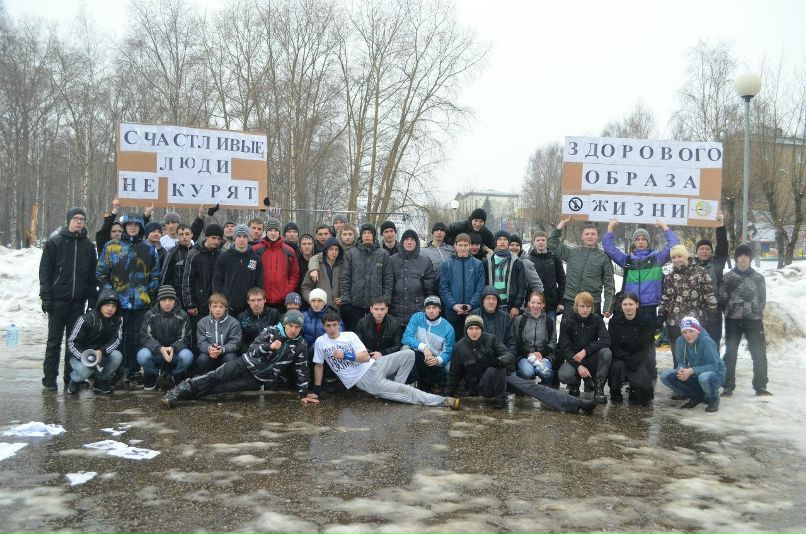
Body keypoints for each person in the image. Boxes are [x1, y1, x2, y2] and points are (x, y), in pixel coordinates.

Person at [162, 310, 319, 408]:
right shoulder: (271, 331)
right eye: (290, 326)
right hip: (244, 363)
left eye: (297, 327)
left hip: (257, 379)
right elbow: (252, 351)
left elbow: (302, 369)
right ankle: (177, 392)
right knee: (215, 376)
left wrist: (303, 394)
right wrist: (269, 347)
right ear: (284, 325)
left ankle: (185, 396)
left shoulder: (300, 344)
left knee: (219, 389)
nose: (293, 330)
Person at [311, 310, 461, 409]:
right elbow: (319, 366)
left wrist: (345, 355)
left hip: (375, 365)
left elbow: (365, 357)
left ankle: (395, 389)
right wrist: (316, 392)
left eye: (334, 325)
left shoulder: (349, 335)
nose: (332, 329)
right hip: (365, 380)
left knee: (409, 354)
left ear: (339, 325)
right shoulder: (321, 342)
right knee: (409, 391)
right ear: (323, 326)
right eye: (328, 326)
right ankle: (444, 401)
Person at [446, 315, 596, 414]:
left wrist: (498, 361)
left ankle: (577, 404)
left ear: (482, 329)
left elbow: (508, 355)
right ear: (466, 330)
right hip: (483, 386)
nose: (474, 332)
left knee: (533, 387)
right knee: (494, 367)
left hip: (501, 378)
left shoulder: (490, 339)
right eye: (470, 328)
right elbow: (454, 373)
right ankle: (499, 398)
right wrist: (447, 395)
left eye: (477, 328)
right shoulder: (460, 347)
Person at [603, 218, 678, 377]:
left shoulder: (657, 258)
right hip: (631, 308)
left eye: (644, 239)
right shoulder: (627, 260)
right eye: (638, 239)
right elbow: (609, 249)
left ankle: (650, 373)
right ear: (634, 242)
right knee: (630, 341)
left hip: (649, 307)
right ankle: (632, 372)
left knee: (648, 341)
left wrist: (664, 226)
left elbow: (673, 245)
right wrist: (610, 228)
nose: (641, 242)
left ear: (648, 242)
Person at [97, 213, 160, 386]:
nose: (133, 227)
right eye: (129, 224)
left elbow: (155, 274)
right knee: (117, 337)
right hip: (117, 302)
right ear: (124, 227)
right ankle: (116, 370)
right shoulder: (112, 246)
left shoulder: (149, 248)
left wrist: (149, 293)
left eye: (136, 225)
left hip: (140, 303)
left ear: (141, 228)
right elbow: (102, 272)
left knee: (136, 337)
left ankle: (133, 370)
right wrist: (110, 295)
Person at [39, 207, 98, 391]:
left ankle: (71, 378)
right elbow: (45, 272)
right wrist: (46, 297)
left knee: (74, 343)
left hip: (78, 302)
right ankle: (49, 379)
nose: (79, 221)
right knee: (54, 341)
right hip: (58, 301)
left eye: (82, 219)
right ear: (69, 220)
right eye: (75, 218)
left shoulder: (88, 246)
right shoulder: (55, 242)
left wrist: (92, 300)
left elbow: (92, 276)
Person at [719, 243, 771, 397]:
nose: (743, 258)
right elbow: (722, 298)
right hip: (733, 321)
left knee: (759, 353)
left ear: (750, 258)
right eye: (740, 256)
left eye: (746, 256)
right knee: (730, 353)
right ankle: (728, 386)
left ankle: (760, 386)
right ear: (736, 258)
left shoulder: (758, 278)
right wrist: (730, 310)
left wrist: (754, 311)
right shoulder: (728, 277)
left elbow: (762, 299)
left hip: (754, 321)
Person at [658, 244, 717, 366]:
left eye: (679, 256)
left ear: (686, 256)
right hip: (675, 321)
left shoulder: (701, 273)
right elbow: (666, 297)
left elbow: (709, 294)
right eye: (673, 257)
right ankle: (679, 374)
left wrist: (711, 311)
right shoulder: (669, 277)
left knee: (697, 355)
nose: (676, 260)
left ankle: (697, 374)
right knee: (678, 355)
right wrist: (662, 313)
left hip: (696, 320)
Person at [549, 217, 615, 317]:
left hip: (592, 303)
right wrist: (562, 223)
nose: (590, 236)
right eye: (587, 234)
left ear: (597, 236)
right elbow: (552, 243)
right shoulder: (571, 253)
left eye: (593, 234)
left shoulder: (604, 258)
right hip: (571, 301)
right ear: (582, 236)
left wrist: (608, 307)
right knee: (567, 327)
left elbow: (609, 284)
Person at [660, 316, 725, 412]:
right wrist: (681, 371)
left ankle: (713, 399)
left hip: (715, 374)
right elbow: (682, 362)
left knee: (704, 377)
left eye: (691, 331)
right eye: (684, 332)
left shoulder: (706, 341)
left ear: (697, 330)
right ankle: (696, 396)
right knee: (665, 375)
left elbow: (714, 366)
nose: (688, 335)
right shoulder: (680, 341)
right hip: (696, 373)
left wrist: (691, 370)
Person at [65, 289, 123, 395]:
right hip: (80, 355)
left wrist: (101, 351)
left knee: (117, 356)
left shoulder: (118, 319)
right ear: (100, 305)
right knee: (85, 371)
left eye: (113, 306)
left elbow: (117, 339)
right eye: (106, 305)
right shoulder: (86, 319)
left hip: (101, 353)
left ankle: (100, 382)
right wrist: (85, 357)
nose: (110, 309)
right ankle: (75, 379)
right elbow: (72, 342)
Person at [557, 292, 612, 403]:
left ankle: (599, 388)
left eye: (588, 306)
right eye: (582, 306)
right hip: (574, 358)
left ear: (592, 307)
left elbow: (606, 340)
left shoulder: (597, 319)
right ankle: (574, 383)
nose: (585, 310)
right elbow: (564, 347)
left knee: (606, 352)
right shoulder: (567, 321)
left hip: (591, 357)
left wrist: (586, 350)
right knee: (564, 375)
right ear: (576, 306)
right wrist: (578, 366)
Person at [136, 285, 194, 390]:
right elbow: (145, 338)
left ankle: (176, 376)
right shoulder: (150, 314)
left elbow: (185, 339)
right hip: (156, 352)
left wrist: (173, 348)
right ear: (159, 300)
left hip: (174, 352)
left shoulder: (183, 315)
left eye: (171, 300)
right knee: (142, 355)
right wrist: (160, 348)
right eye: (164, 300)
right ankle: (154, 375)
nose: (167, 303)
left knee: (187, 356)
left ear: (175, 300)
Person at [339, 223, 393, 330]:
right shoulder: (352, 254)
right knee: (355, 333)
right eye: (364, 233)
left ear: (374, 235)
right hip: (355, 304)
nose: (367, 235)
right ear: (361, 236)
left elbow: (388, 280)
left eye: (369, 233)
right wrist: (346, 301)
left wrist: (386, 301)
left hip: (376, 305)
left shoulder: (383, 254)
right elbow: (345, 278)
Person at [607, 293, 655, 404]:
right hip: (621, 357)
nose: (628, 307)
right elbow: (613, 344)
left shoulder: (646, 322)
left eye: (631, 304)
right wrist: (625, 357)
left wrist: (637, 358)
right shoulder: (614, 322)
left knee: (644, 398)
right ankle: (615, 390)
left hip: (638, 357)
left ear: (637, 305)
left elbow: (647, 345)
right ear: (621, 305)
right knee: (617, 366)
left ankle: (635, 388)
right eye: (625, 304)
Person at [402, 296, 455, 391]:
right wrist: (424, 348)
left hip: (436, 360)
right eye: (428, 308)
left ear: (440, 309)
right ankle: (411, 381)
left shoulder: (448, 328)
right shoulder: (417, 317)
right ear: (425, 309)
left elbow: (448, 352)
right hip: (418, 354)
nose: (431, 311)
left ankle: (440, 386)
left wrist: (438, 360)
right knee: (405, 349)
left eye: (434, 307)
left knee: (449, 368)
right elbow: (406, 337)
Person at [182, 224, 223, 346]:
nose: (216, 241)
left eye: (219, 239)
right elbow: (187, 280)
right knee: (198, 335)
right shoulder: (194, 254)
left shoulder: (221, 254)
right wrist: (190, 304)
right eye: (213, 238)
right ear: (206, 237)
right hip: (199, 304)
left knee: (216, 335)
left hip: (218, 303)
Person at [439, 233, 485, 339]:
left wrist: (471, 305)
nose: (463, 248)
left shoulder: (478, 264)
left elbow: (480, 288)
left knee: (472, 340)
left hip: (473, 311)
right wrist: (453, 305)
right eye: (460, 245)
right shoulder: (447, 264)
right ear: (455, 246)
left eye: (465, 245)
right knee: (452, 340)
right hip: (452, 312)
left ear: (469, 246)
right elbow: (443, 288)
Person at [213, 224, 263, 317]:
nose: (242, 239)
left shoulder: (255, 258)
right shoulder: (224, 257)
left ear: (248, 238)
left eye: (245, 236)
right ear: (234, 238)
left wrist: (255, 301)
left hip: (249, 307)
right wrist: (220, 301)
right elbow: (217, 281)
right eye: (239, 236)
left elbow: (259, 282)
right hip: (228, 306)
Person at [389, 229, 437, 326]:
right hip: (395, 313)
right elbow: (387, 286)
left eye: (412, 239)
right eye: (406, 239)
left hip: (418, 313)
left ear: (417, 242)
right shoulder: (392, 260)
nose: (409, 242)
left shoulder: (425, 262)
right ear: (402, 242)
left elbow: (429, 290)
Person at [694, 212, 728, 344]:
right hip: (695, 311)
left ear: (712, 252)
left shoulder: (717, 264)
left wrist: (720, 226)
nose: (704, 251)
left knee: (713, 343)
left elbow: (723, 246)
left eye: (707, 249)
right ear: (696, 252)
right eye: (701, 248)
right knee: (696, 345)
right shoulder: (690, 266)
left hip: (713, 312)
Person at [253, 217, 300, 312]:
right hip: (262, 299)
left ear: (279, 232)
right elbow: (251, 273)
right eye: (270, 230)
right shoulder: (256, 250)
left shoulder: (289, 251)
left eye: (276, 230)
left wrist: (288, 290)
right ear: (266, 232)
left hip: (282, 300)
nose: (273, 233)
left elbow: (294, 274)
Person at [513, 291, 556, 386]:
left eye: (539, 303)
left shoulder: (549, 321)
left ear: (543, 305)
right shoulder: (520, 320)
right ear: (528, 303)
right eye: (533, 302)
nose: (535, 306)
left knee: (544, 372)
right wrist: (528, 354)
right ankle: (523, 387)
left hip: (544, 356)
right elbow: (515, 342)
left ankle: (545, 388)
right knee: (527, 372)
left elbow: (553, 342)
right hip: (525, 356)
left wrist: (541, 353)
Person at [522, 231, 566, 322]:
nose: (540, 242)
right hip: (533, 304)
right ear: (534, 242)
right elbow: (525, 283)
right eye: (538, 240)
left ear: (547, 241)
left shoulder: (554, 258)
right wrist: (526, 302)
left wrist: (561, 301)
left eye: (543, 240)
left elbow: (562, 280)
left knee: (550, 328)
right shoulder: (529, 259)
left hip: (551, 304)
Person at [483, 230, 527, 318]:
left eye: (505, 239)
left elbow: (522, 285)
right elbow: (482, 284)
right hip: (491, 304)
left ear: (508, 242)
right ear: (496, 242)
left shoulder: (516, 262)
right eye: (499, 239)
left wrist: (517, 306)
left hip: (509, 306)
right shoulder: (487, 261)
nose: (502, 242)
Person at [196, 293, 242, 374]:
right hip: (210, 353)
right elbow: (201, 343)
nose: (218, 309)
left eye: (221, 306)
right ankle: (205, 378)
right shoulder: (202, 322)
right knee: (202, 359)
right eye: (215, 306)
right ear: (210, 307)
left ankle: (227, 380)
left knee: (231, 358)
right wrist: (210, 349)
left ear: (226, 308)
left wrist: (222, 349)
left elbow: (235, 343)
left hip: (226, 353)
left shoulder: (234, 323)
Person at [355, 296, 406, 360]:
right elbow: (359, 344)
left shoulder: (395, 323)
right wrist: (372, 354)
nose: (379, 313)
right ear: (371, 309)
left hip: (388, 357)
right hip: (368, 357)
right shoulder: (362, 322)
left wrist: (382, 353)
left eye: (382, 309)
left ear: (386, 310)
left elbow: (397, 345)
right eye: (376, 309)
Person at [471, 286, 516, 356]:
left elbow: (512, 343)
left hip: (501, 358)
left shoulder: (506, 318)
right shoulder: (474, 316)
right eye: (488, 298)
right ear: (482, 300)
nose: (491, 302)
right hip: (478, 358)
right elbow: (467, 341)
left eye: (494, 299)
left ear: (498, 301)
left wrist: (506, 358)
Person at [301, 237, 344, 310]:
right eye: (331, 249)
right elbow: (305, 288)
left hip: (338, 309)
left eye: (336, 249)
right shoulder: (315, 266)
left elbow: (349, 285)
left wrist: (344, 298)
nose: (334, 252)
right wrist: (312, 300)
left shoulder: (343, 265)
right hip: (319, 309)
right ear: (326, 250)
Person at [238, 287, 281, 352]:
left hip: (270, 350)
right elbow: (241, 341)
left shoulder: (274, 314)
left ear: (265, 300)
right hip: (249, 351)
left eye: (259, 300)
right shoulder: (242, 317)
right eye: (252, 300)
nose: (256, 304)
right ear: (248, 301)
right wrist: (249, 353)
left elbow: (279, 336)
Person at [160, 224, 194, 301]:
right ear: (177, 235)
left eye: (187, 234)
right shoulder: (171, 253)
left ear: (192, 234)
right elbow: (165, 277)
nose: (184, 237)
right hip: (177, 296)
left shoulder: (197, 253)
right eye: (181, 234)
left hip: (195, 294)